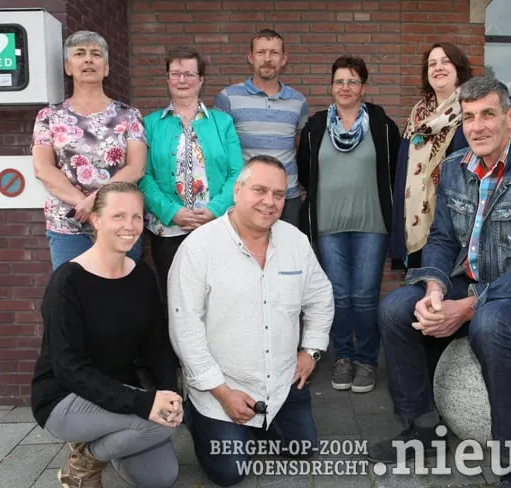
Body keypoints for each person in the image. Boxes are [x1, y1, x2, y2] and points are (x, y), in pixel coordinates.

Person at [369, 77, 511, 488]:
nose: (477, 127)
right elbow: (442, 238)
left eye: (488, 115)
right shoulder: (453, 168)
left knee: (490, 324)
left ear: (509, 117)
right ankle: (423, 428)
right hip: (471, 282)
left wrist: (468, 306)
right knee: (394, 309)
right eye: (468, 117)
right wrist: (436, 290)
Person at [168, 155, 334, 487]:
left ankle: (258, 424)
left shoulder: (296, 242)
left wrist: (311, 351)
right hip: (221, 388)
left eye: (278, 194)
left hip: (282, 382)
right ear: (237, 190)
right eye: (259, 190)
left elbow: (321, 299)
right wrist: (222, 392)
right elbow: (184, 328)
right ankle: (197, 417)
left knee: (303, 450)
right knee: (229, 474)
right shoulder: (198, 248)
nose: (269, 202)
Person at [30, 181, 182, 488]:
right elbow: (69, 368)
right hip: (66, 398)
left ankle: (99, 441)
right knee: (159, 425)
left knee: (160, 477)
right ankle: (84, 464)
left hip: (119, 387)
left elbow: (156, 345)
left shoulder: (141, 275)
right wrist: (143, 403)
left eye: (137, 216)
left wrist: (169, 392)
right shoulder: (67, 283)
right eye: (118, 216)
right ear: (96, 220)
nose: (130, 225)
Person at [296, 55, 401, 394]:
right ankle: (344, 356)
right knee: (339, 295)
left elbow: (396, 170)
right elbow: (305, 169)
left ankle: (367, 360)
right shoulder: (315, 127)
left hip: (372, 224)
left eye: (352, 81)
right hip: (329, 225)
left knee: (365, 295)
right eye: (339, 81)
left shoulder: (383, 126)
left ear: (363, 87)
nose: (345, 87)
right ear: (331, 86)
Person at [31, 30, 147, 270]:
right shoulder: (49, 116)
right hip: (68, 224)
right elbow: (43, 168)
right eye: (79, 54)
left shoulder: (129, 115)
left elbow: (136, 167)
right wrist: (80, 203)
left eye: (96, 54)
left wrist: (96, 201)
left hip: (120, 222)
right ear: (68, 66)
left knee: (119, 293)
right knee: (72, 293)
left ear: (106, 68)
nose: (88, 60)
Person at [139, 47, 243, 300]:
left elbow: (237, 172)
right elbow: (143, 175)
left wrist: (214, 210)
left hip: (215, 226)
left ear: (201, 79)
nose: (182, 80)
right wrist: (170, 212)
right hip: (168, 229)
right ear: (167, 79)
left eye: (188, 74)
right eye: (175, 74)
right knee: (175, 298)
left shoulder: (222, 122)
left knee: (218, 296)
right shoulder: (150, 123)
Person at [390, 42, 473, 272]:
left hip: (452, 231)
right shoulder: (417, 115)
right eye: (432, 64)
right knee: (416, 300)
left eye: (446, 61)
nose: (438, 68)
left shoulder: (470, 114)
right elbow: (402, 174)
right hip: (414, 225)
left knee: (445, 298)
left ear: (459, 69)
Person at [213, 29, 309, 226]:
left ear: (284, 59)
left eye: (274, 53)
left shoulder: (298, 101)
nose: (267, 58)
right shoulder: (228, 98)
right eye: (261, 52)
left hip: (287, 196)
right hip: (247, 195)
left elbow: (297, 145)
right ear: (250, 57)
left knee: (286, 254)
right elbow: (221, 150)